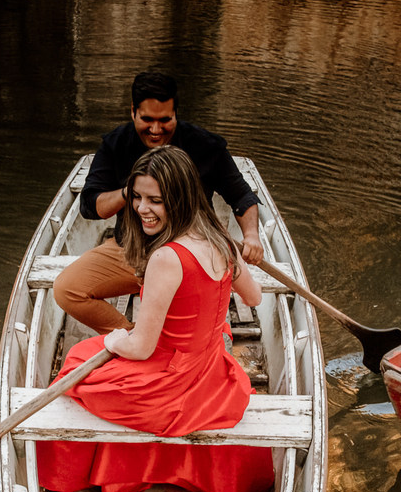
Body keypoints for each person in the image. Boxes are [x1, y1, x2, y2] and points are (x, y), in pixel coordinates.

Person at [37, 146, 274, 492]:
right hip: (211, 370)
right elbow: (254, 298)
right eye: (137, 197)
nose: (141, 209)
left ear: (179, 198)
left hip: (171, 383)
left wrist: (115, 340)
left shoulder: (166, 257)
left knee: (77, 359)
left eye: (155, 200)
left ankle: (79, 474)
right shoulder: (221, 238)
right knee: (89, 357)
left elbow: (143, 348)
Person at [54, 71, 265, 335]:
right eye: (147, 120)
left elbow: (241, 195)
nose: (156, 130)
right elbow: (89, 205)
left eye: (165, 120)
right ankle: (133, 335)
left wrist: (252, 236)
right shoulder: (116, 144)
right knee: (66, 289)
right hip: (133, 249)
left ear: (177, 113)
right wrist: (129, 192)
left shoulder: (204, 145)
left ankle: (172, 335)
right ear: (133, 112)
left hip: (192, 255)